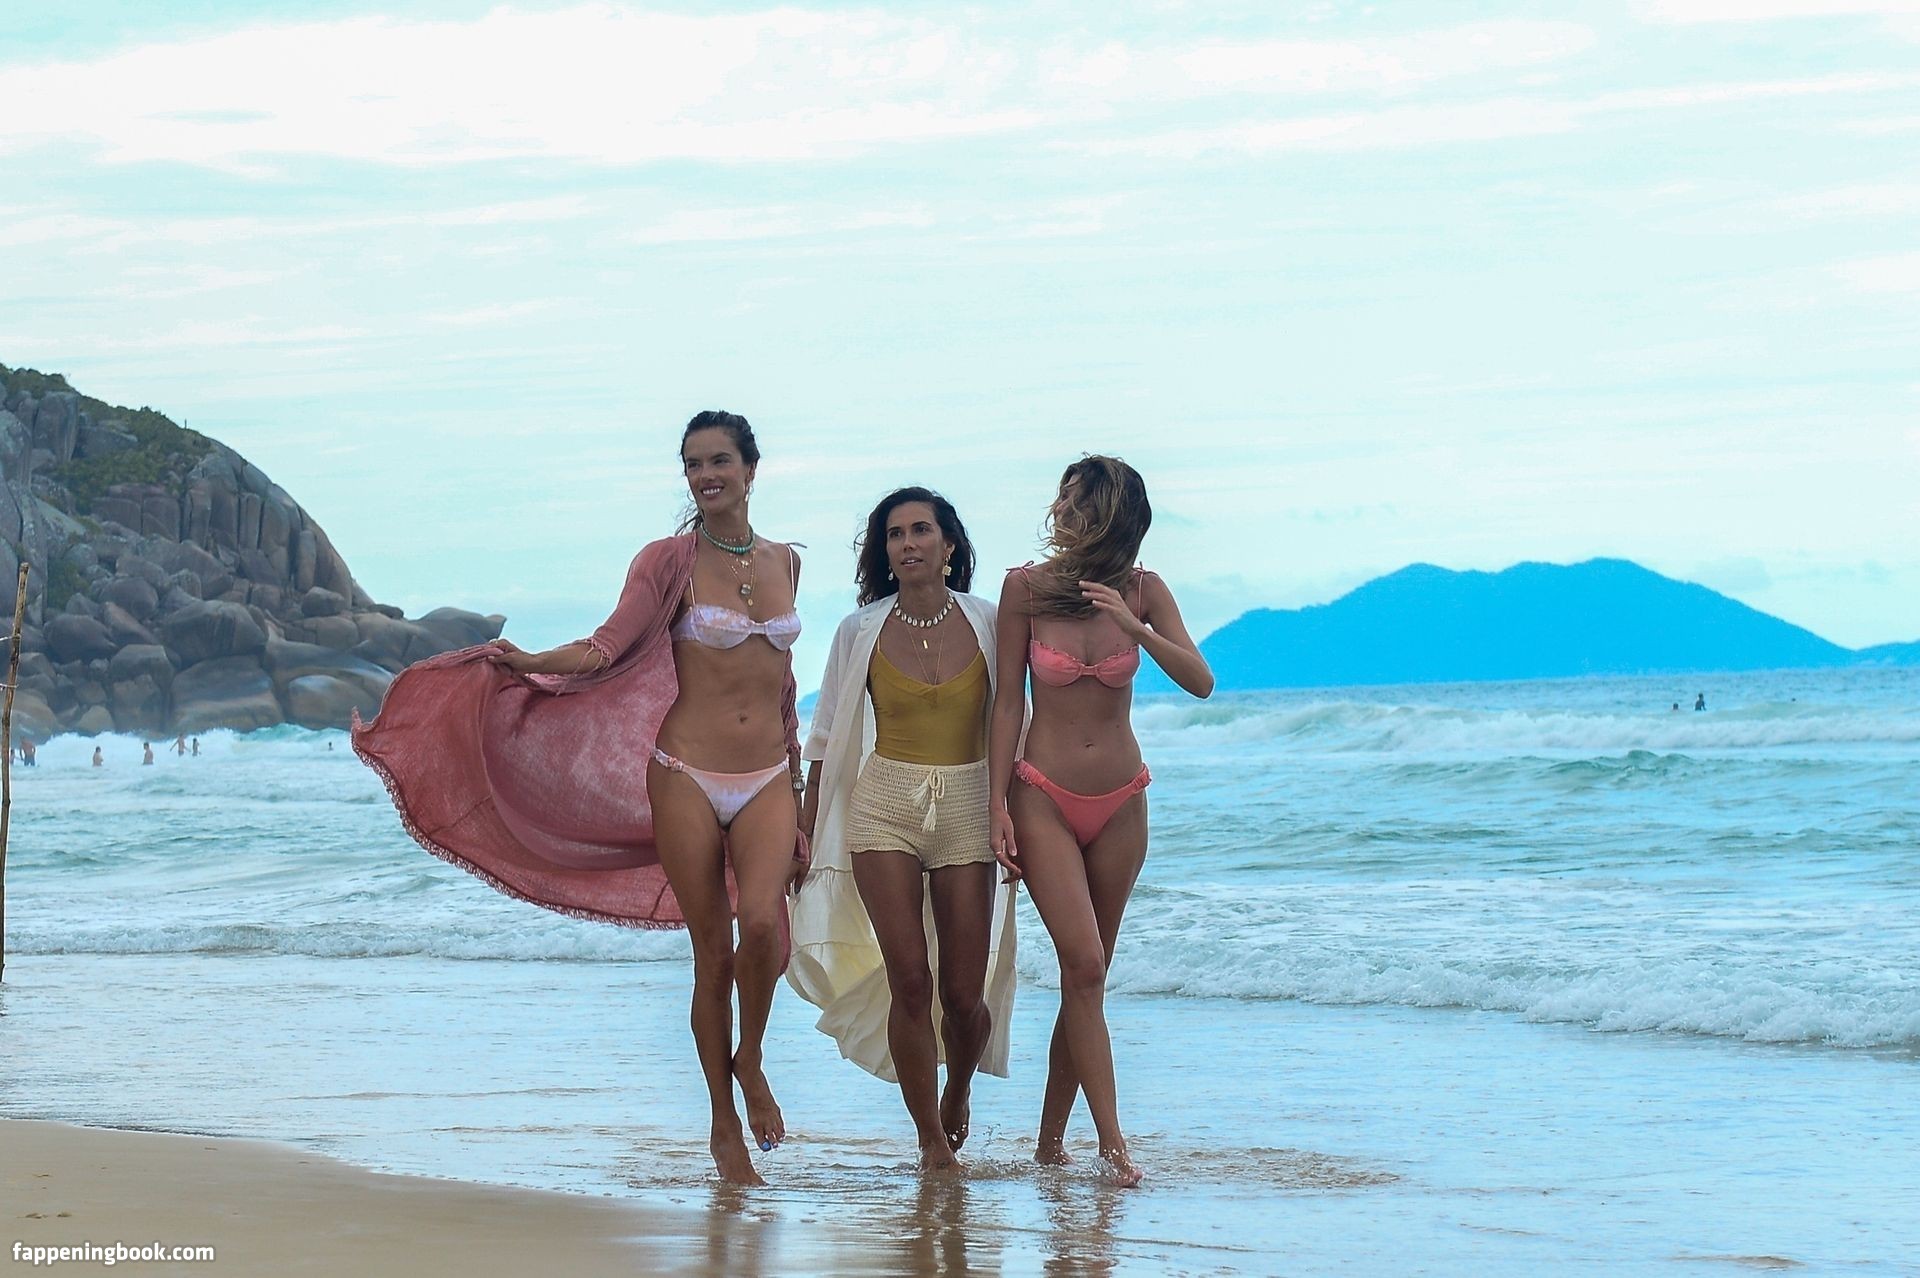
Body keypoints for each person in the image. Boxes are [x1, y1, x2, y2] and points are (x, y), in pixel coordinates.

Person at [354, 410, 806, 1186]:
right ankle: (722, 1123)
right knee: (713, 953)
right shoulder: (667, 561)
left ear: (751, 469)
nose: (705, 475)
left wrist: (799, 785)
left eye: (719, 460)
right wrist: (529, 661)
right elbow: (605, 647)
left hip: (767, 776)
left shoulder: (786, 563)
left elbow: (783, 685)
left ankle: (751, 1059)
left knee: (762, 924)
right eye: (693, 463)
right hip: (686, 773)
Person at [988, 456, 1213, 1188]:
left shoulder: (1143, 590)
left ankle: (1050, 1145)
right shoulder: (1025, 588)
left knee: (1086, 979)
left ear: (1114, 516)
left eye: (1080, 504)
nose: (1065, 514)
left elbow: (1201, 681)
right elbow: (1007, 703)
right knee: (1083, 965)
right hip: (1042, 794)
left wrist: (1132, 626)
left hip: (1123, 801)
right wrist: (995, 804)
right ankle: (1114, 1146)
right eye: (1064, 501)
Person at [790, 488, 1017, 1173]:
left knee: (964, 997)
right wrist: (804, 831)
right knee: (910, 979)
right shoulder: (859, 629)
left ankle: (960, 1087)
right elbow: (824, 738)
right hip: (883, 805)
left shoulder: (990, 621)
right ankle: (928, 1141)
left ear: (949, 545)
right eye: (895, 534)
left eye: (921, 530)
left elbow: (1018, 721)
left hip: (969, 807)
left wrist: (1020, 817)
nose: (908, 543)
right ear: (884, 551)